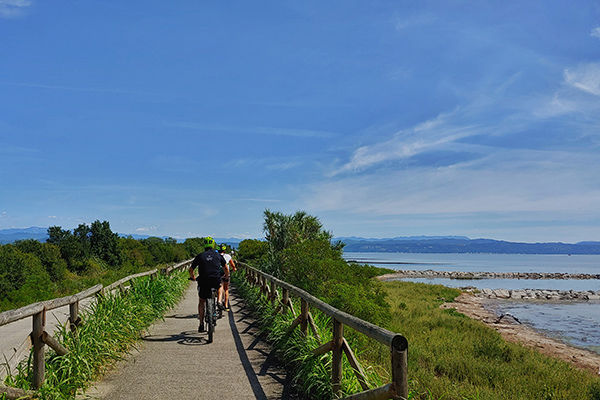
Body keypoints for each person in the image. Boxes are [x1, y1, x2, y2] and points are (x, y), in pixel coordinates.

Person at [188, 237, 227, 333]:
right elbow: (225, 268)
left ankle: (201, 324)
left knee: (201, 301)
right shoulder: (218, 255)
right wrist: (226, 276)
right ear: (213, 245)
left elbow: (191, 269)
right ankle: (219, 301)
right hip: (215, 279)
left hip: (203, 281)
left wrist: (193, 277)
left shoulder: (200, 256)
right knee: (220, 286)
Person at [218, 244, 236, 311]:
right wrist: (234, 268)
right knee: (226, 289)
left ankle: (218, 301)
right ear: (224, 250)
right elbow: (232, 265)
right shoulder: (228, 256)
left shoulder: (216, 256)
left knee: (219, 287)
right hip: (226, 274)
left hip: (217, 275)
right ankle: (226, 305)